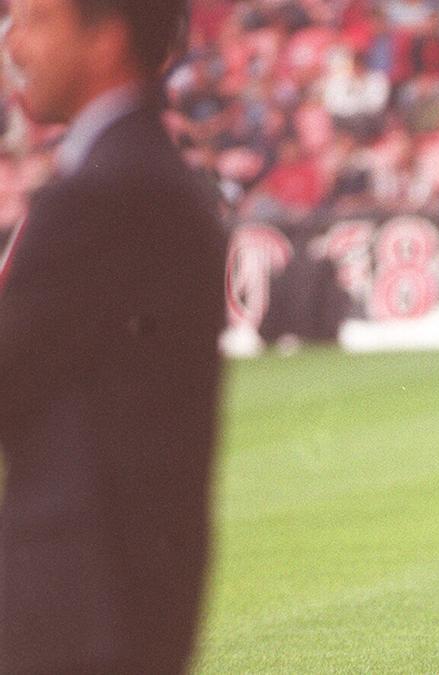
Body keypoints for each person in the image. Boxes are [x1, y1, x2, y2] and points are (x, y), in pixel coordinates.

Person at [0, 1, 226, 672]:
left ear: (105, 39)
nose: (13, 40)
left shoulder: (108, 193)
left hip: (79, 612)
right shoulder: (141, 176)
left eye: (35, 18)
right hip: (114, 599)